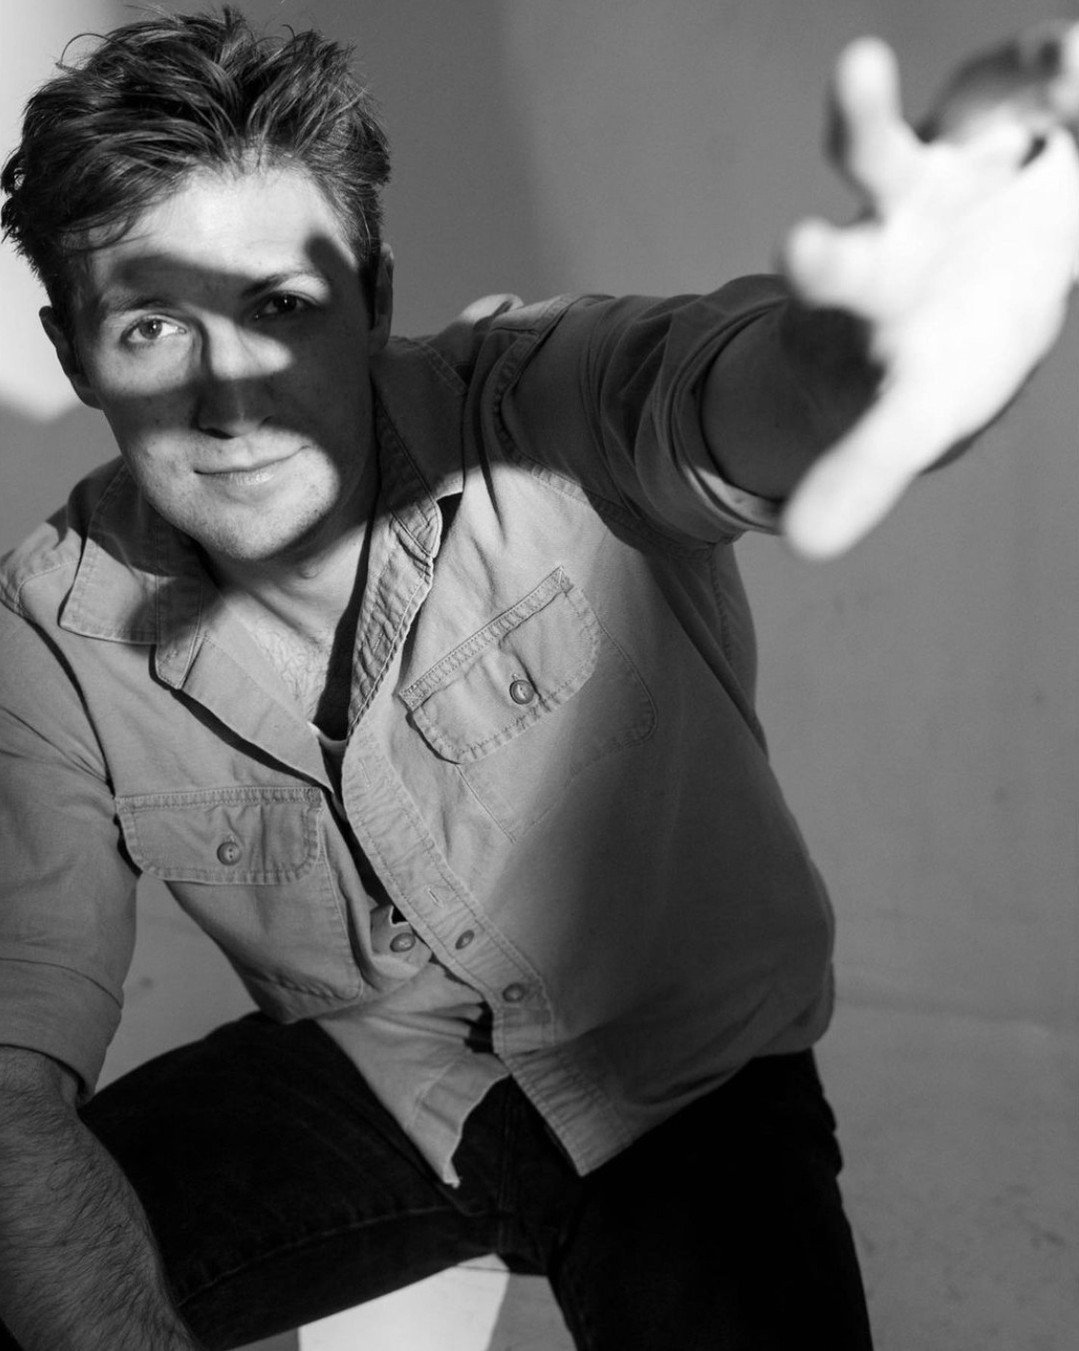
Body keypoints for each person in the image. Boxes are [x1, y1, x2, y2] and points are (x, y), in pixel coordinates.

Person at [0, 9, 1076, 1350]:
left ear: (377, 299)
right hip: (381, 1081)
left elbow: (745, 398)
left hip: (684, 1080)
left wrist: (863, 365)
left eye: (282, 307)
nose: (232, 400)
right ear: (70, 350)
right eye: (153, 325)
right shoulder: (52, 629)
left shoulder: (542, 404)